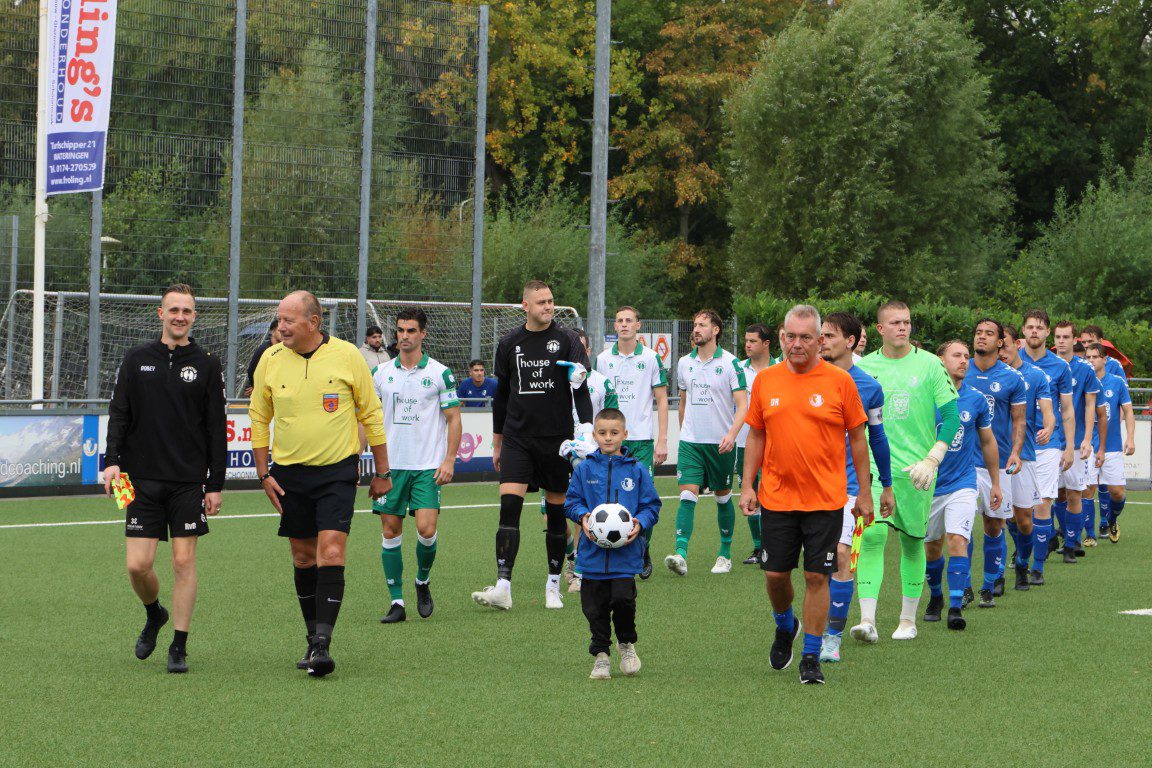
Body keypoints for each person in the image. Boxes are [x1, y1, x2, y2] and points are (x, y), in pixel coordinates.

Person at [250, 290, 391, 677]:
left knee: (330, 550)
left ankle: (324, 645)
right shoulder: (270, 359)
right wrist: (264, 474)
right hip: (289, 474)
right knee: (302, 557)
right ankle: (312, 637)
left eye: (289, 320)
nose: (281, 327)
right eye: (280, 319)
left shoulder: (347, 356)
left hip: (337, 472)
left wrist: (382, 472)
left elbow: (371, 413)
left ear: (313, 322)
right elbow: (259, 417)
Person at [740, 305, 874, 684]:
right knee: (774, 575)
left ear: (819, 340)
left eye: (806, 337)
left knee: (817, 577)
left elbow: (858, 438)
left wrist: (864, 494)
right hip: (777, 498)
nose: (796, 344)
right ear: (782, 337)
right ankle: (786, 625)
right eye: (790, 336)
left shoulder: (840, 382)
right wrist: (748, 484)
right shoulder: (765, 380)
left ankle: (811, 657)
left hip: (826, 500)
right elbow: (756, 435)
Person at [104, 283, 226, 674]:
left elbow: (216, 428)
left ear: (194, 316)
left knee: (183, 561)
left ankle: (179, 645)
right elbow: (119, 413)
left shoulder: (207, 363)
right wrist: (111, 462)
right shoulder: (136, 358)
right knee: (137, 566)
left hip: (187, 481)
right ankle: (154, 613)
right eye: (173, 310)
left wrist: (216, 484)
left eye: (186, 311)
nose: (180, 316)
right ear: (161, 313)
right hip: (136, 480)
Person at [470, 280, 593, 611]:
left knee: (555, 514)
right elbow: (502, 397)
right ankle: (503, 586)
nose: (548, 306)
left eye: (551, 301)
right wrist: (497, 442)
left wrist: (586, 429)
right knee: (509, 509)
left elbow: (581, 387)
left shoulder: (568, 340)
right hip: (517, 439)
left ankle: (553, 585)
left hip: (557, 441)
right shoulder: (509, 343)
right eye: (541, 302)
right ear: (525, 306)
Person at [851, 301, 959, 643]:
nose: (903, 327)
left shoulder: (930, 364)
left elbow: (952, 416)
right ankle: (867, 620)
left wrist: (933, 459)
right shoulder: (863, 368)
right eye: (895, 322)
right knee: (872, 537)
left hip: (916, 472)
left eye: (907, 322)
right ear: (880, 329)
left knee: (913, 543)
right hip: (873, 469)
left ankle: (907, 620)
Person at [372, 308, 462, 624]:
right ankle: (397, 602)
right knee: (390, 530)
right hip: (390, 467)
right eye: (400, 330)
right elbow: (368, 418)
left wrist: (449, 459)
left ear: (423, 333)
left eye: (411, 330)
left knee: (426, 529)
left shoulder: (440, 373)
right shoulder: (380, 373)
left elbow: (454, 419)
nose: (405, 336)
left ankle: (422, 580)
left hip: (427, 466)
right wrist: (358, 456)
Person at [817, 312, 894, 662]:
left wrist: (886, 487)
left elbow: (878, 438)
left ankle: (832, 637)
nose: (822, 341)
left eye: (830, 335)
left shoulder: (869, 387)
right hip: (807, 485)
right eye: (821, 335)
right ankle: (809, 621)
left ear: (850, 341)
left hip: (847, 485)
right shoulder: (806, 377)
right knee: (814, 565)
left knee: (842, 555)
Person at [565, 408, 661, 680]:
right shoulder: (584, 469)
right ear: (594, 436)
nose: (608, 438)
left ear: (624, 434)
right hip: (592, 556)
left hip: (625, 556)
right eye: (603, 433)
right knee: (593, 609)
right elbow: (571, 502)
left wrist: (641, 523)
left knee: (623, 601)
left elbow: (651, 506)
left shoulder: (636, 470)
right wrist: (582, 515)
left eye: (614, 433)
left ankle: (626, 643)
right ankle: (601, 656)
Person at [665, 309, 748, 576]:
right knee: (687, 494)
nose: (696, 329)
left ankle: (725, 554)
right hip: (691, 442)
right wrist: (684, 433)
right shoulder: (684, 363)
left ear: (715, 330)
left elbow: (743, 405)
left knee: (722, 497)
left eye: (702, 325)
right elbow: (683, 402)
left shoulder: (731, 363)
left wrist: (731, 435)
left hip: (720, 443)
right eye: (695, 324)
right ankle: (680, 554)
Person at [926, 340, 1000, 630]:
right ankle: (936, 596)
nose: (964, 360)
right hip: (928, 485)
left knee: (957, 539)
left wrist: (995, 483)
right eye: (956, 355)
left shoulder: (976, 399)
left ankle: (956, 606)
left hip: (963, 482)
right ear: (940, 360)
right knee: (932, 549)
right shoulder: (925, 396)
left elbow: (988, 442)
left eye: (966, 356)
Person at [595, 306, 670, 579]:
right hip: (609, 441)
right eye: (620, 321)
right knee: (608, 497)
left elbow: (662, 399)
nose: (624, 324)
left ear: (638, 325)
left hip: (641, 441)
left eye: (629, 320)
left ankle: (643, 548)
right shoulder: (602, 359)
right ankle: (610, 550)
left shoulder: (650, 358)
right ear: (614, 326)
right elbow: (597, 398)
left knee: (643, 499)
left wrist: (662, 440)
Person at [962, 320, 1026, 604]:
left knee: (993, 524)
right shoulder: (959, 371)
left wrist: (1016, 452)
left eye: (989, 334)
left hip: (995, 464)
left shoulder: (1012, 378)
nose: (982, 337)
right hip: (962, 462)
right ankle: (964, 587)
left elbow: (1019, 420)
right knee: (961, 527)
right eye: (978, 332)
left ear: (1000, 343)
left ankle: (990, 583)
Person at [999, 324, 1054, 589]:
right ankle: (994, 578)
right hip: (993, 457)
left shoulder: (1035, 375)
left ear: (1017, 344)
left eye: (1005, 345)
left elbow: (1048, 411)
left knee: (1023, 519)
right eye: (998, 347)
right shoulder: (988, 373)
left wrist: (1049, 427)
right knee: (999, 518)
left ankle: (1022, 561)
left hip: (1025, 455)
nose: (1001, 352)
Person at [566, 328, 619, 593]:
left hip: (589, 455)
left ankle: (579, 569)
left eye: (581, 348)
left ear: (587, 351)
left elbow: (611, 419)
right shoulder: (555, 379)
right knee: (551, 513)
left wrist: (596, 445)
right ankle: (570, 555)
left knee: (583, 513)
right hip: (559, 450)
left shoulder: (602, 382)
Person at [1052, 320, 1106, 558]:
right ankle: (1065, 536)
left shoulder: (1085, 369)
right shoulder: (1046, 366)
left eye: (1066, 337)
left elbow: (1090, 405)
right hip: (1050, 442)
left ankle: (1071, 544)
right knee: (1056, 495)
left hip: (1075, 443)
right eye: (1058, 337)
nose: (1061, 341)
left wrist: (1087, 439)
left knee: (1074, 493)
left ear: (1075, 340)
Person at [733, 323, 779, 566]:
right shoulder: (738, 369)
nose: (748, 345)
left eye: (753, 341)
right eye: (746, 341)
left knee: (773, 495)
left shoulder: (781, 367)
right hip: (745, 443)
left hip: (776, 445)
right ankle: (759, 546)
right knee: (749, 492)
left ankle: (777, 543)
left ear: (766, 343)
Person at [1084, 342, 1133, 543]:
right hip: (1088, 445)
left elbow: (1128, 410)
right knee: (1087, 490)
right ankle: (1090, 535)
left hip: (1112, 445)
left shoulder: (1117, 382)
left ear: (1104, 360)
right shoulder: (1082, 381)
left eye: (1095, 357)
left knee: (1117, 493)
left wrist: (1130, 438)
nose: (1091, 361)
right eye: (1088, 357)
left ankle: (1112, 520)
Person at [245, 319, 281, 397]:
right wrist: (257, 387)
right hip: (265, 394)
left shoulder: (286, 349)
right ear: (272, 331)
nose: (283, 332)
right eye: (279, 329)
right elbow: (252, 370)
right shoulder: (264, 349)